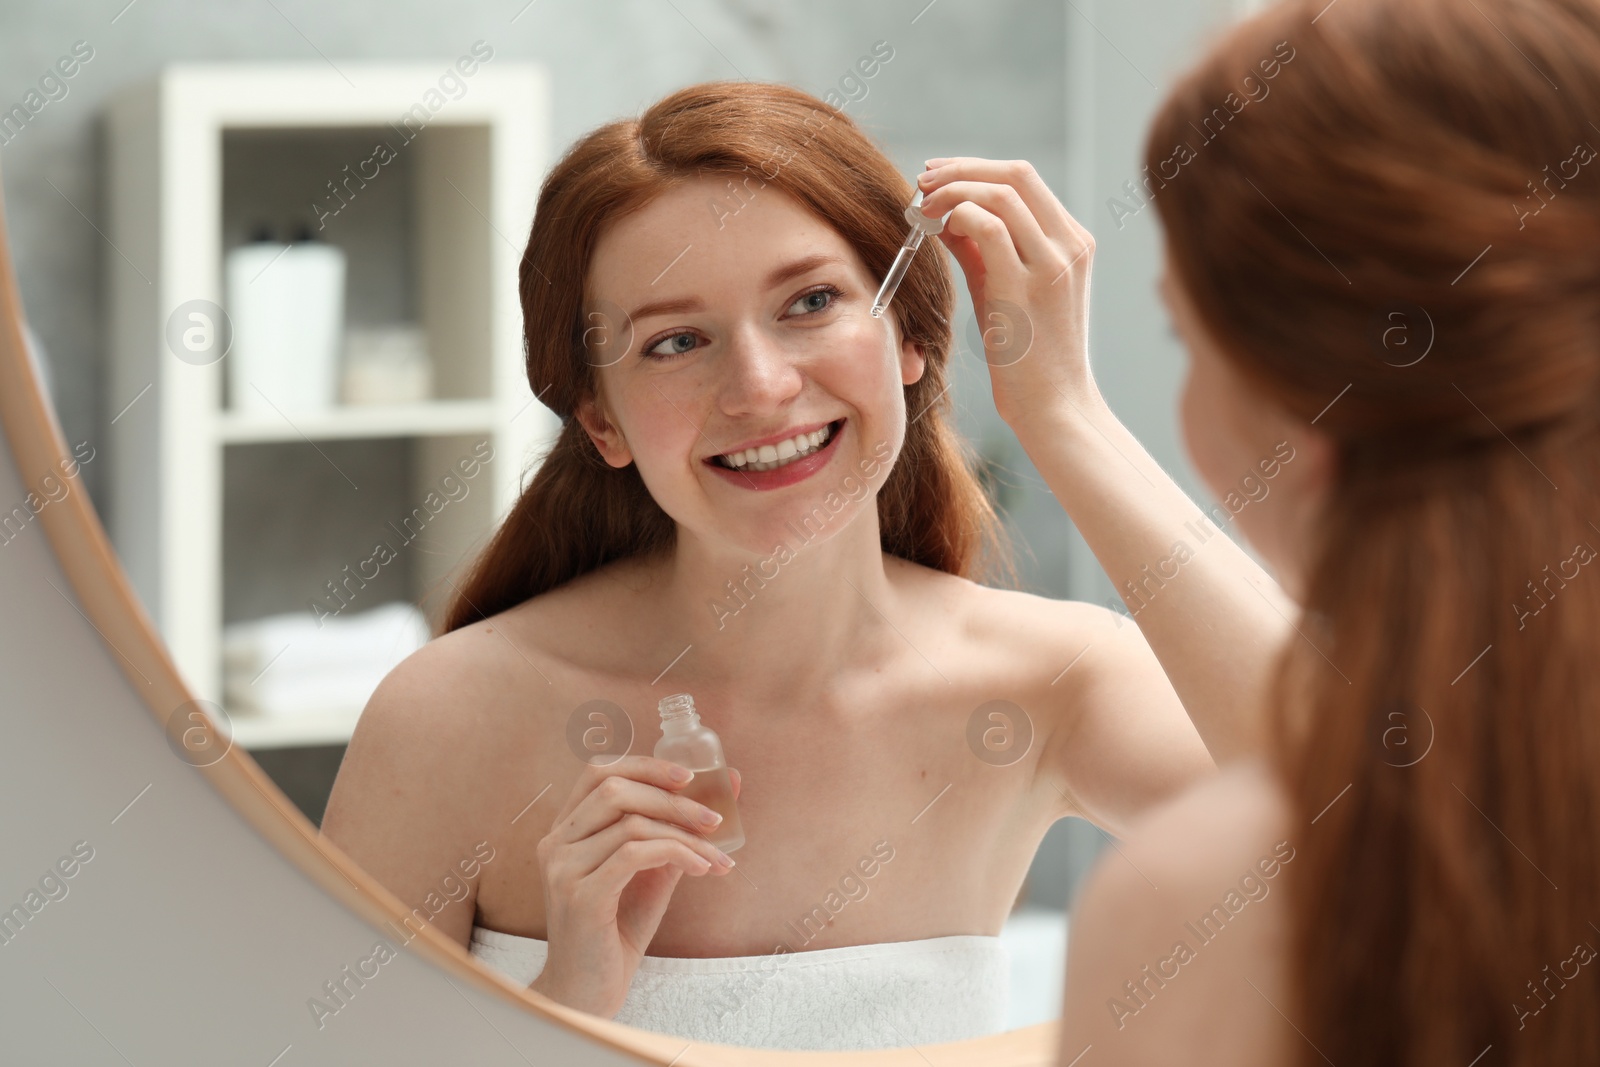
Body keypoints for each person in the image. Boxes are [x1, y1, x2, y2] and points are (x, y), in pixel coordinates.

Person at [319, 77, 1293, 1051]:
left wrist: (1065, 415)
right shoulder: (449, 718)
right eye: (674, 341)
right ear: (601, 418)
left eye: (812, 301)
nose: (759, 385)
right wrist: (567, 1000)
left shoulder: (1051, 684)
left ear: (908, 334)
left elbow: (1379, 836)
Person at [943, 0, 1600, 1062]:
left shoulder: (1209, 910)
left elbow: (1343, 793)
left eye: (1182, 336)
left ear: (1309, 420)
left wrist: (1064, 415)